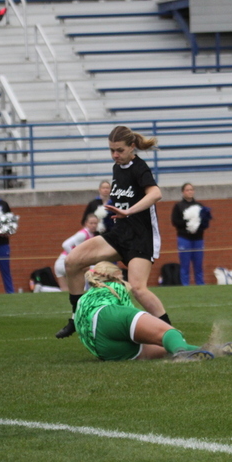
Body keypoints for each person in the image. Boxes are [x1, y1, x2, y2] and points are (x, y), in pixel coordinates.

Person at [56, 126, 171, 339]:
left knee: (138, 288)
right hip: (119, 235)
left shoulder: (140, 167)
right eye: (111, 150)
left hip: (141, 238)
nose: (115, 155)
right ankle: (75, 316)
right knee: (71, 261)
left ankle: (172, 334)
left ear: (132, 147)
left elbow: (156, 193)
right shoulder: (117, 167)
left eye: (119, 150)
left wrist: (128, 211)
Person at [75, 262, 232, 361]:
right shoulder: (116, 285)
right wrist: (168, 331)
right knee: (169, 334)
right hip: (107, 317)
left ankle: (209, 350)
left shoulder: (84, 298)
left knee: (166, 348)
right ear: (115, 276)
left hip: (103, 350)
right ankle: (182, 351)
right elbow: (128, 315)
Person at [171, 183, 212, 286]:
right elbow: (175, 221)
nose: (190, 192)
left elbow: (205, 222)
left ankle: (200, 284)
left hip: (198, 238)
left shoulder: (199, 206)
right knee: (185, 265)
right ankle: (185, 285)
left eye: (191, 190)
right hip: (184, 238)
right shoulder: (178, 206)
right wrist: (188, 223)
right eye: (187, 190)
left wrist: (200, 224)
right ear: (183, 192)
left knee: (198, 264)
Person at [50, 214, 100, 292]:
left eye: (95, 223)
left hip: (61, 263)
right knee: (92, 269)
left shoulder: (91, 235)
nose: (93, 225)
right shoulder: (82, 234)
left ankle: (41, 289)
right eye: (91, 223)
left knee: (65, 291)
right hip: (63, 262)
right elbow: (65, 244)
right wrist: (76, 257)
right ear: (86, 223)